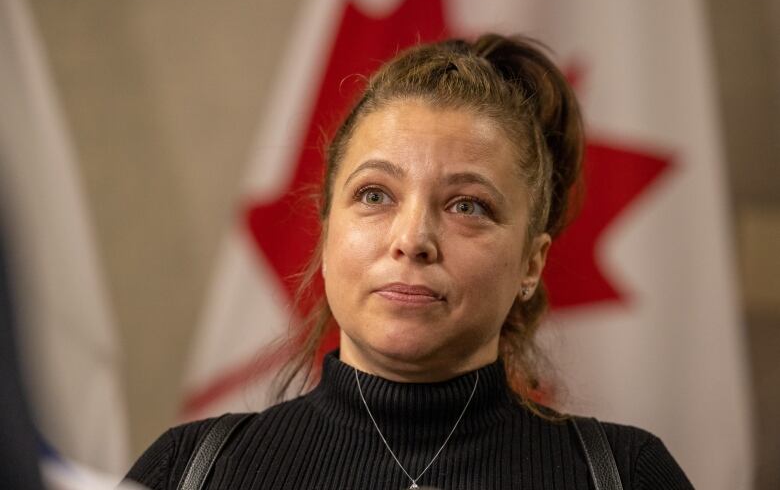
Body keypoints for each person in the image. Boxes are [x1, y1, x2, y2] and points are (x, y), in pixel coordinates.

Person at [126, 34, 694, 489]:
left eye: (467, 205)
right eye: (375, 195)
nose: (412, 238)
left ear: (531, 263)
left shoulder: (624, 475)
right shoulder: (186, 471)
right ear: (327, 235)